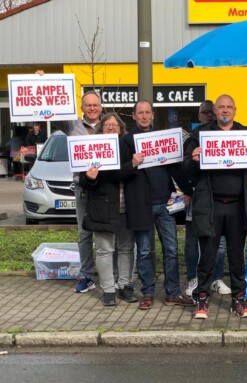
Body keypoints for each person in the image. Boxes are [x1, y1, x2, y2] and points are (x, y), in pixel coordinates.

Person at [184, 94, 247, 319]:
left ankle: (239, 299)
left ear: (235, 110)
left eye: (229, 107)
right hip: (210, 205)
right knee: (207, 255)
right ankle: (201, 298)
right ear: (215, 111)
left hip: (238, 206)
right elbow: (184, 170)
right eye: (221, 107)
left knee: (237, 256)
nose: (225, 110)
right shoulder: (200, 135)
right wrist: (192, 160)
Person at [121, 100, 193, 310]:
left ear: (152, 115)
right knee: (144, 251)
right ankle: (148, 293)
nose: (144, 116)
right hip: (142, 205)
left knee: (171, 250)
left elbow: (176, 169)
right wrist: (132, 164)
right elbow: (120, 172)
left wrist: (188, 191)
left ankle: (172, 293)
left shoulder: (162, 139)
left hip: (166, 204)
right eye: (140, 113)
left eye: (147, 112)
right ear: (133, 116)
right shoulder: (126, 141)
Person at [79, 113, 137, 306]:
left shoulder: (129, 148)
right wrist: (90, 177)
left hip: (127, 207)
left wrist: (133, 164)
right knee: (105, 250)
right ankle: (108, 290)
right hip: (102, 208)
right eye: (107, 125)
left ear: (121, 129)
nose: (112, 128)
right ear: (101, 128)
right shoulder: (92, 149)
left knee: (127, 249)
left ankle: (124, 286)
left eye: (115, 125)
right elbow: (84, 182)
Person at [183, 100, 230, 297]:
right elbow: (183, 167)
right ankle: (194, 277)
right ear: (199, 116)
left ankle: (216, 278)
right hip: (196, 194)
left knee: (218, 241)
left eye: (212, 111)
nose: (210, 115)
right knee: (193, 239)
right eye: (205, 112)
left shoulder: (230, 135)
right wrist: (187, 190)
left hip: (219, 196)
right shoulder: (192, 138)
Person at [67, 90, 103, 293]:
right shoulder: (72, 126)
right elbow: (53, 111)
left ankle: (114, 277)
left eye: (95, 105)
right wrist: (43, 80)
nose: (92, 108)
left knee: (107, 232)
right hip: (82, 187)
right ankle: (87, 276)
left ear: (100, 107)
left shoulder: (108, 126)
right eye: (88, 105)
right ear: (81, 108)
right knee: (84, 233)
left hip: (105, 187)